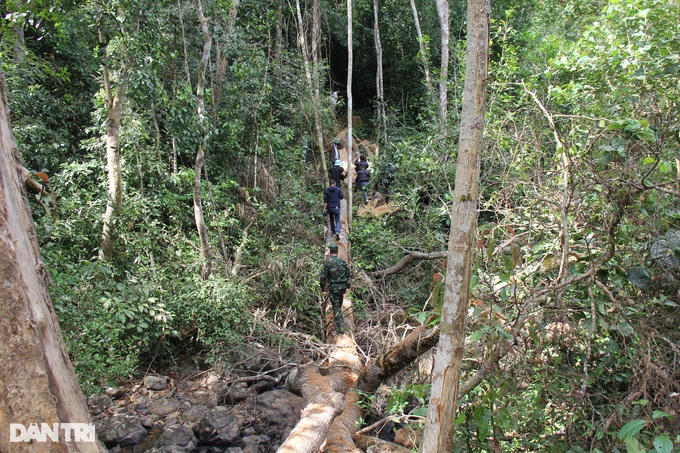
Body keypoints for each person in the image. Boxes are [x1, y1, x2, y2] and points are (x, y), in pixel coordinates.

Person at [319, 243, 351, 335]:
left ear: (330, 252)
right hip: (342, 287)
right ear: (337, 251)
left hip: (333, 288)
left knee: (336, 307)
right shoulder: (342, 261)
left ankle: (340, 327)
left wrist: (322, 287)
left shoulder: (327, 262)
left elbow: (323, 277)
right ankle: (339, 318)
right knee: (339, 304)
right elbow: (348, 274)